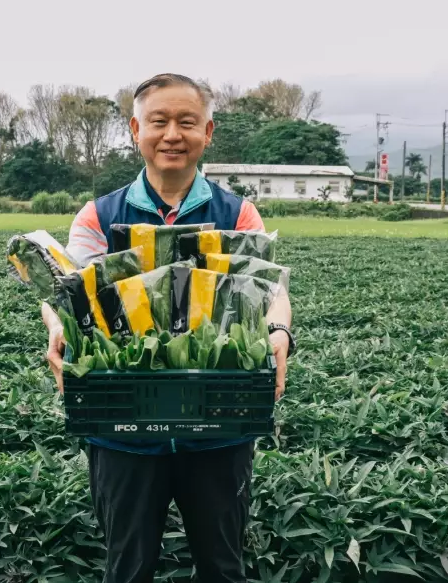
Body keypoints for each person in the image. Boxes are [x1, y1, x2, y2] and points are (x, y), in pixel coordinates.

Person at [40, 73, 294, 583]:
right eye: (159, 121)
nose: (172, 134)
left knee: (223, 566)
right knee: (127, 567)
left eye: (186, 122)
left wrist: (280, 335)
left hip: (218, 421)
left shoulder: (237, 212)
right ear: (136, 129)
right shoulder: (98, 215)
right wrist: (58, 328)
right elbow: (70, 291)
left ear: (208, 132)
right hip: (124, 428)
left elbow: (270, 292)